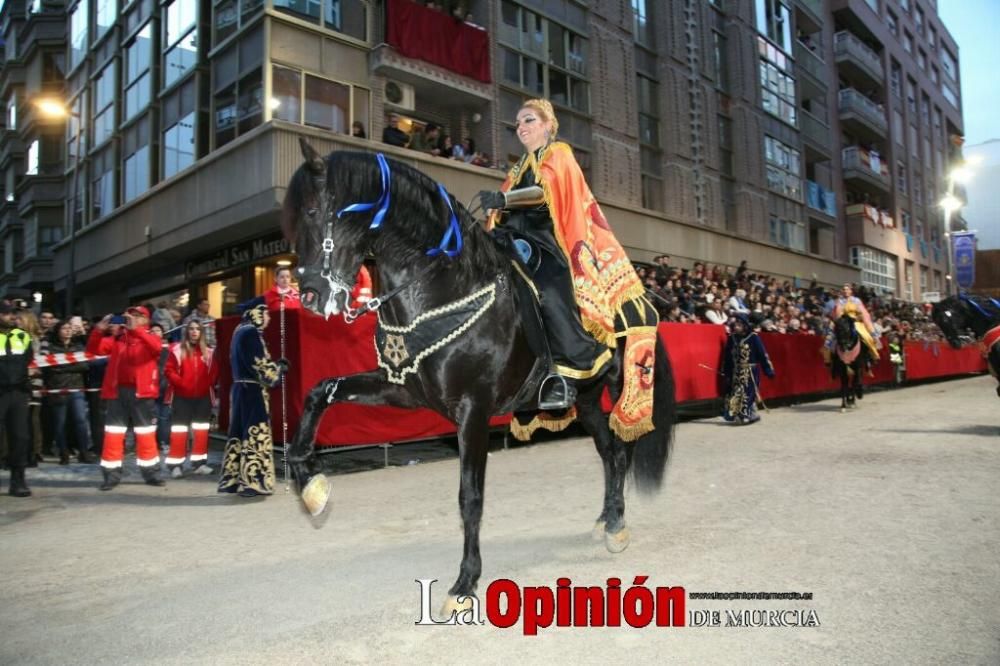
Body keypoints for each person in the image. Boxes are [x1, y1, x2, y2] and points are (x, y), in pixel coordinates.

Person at [479, 98, 652, 412]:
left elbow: (545, 194)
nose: (521, 128)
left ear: (547, 125)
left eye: (529, 120)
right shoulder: (517, 169)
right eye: (518, 123)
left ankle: (564, 373)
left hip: (547, 242)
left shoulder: (559, 154)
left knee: (548, 290)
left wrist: (504, 199)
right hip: (512, 240)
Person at [86, 305, 166, 490]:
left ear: (146, 320)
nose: (132, 318)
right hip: (117, 393)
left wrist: (136, 330)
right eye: (130, 315)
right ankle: (111, 476)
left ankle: (151, 474)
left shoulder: (150, 337)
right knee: (113, 435)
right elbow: (93, 349)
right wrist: (99, 329)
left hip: (142, 394)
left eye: (137, 316)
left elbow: (156, 348)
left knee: (145, 435)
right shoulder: (117, 339)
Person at [218, 298, 286, 497]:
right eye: (265, 313)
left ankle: (231, 480)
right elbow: (260, 367)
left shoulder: (239, 330)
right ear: (256, 313)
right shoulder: (251, 334)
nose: (268, 318)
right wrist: (279, 369)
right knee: (255, 433)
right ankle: (254, 482)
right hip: (253, 392)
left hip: (240, 389)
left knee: (238, 434)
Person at [164, 320, 218, 477]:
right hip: (181, 397)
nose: (194, 332)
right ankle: (175, 466)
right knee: (179, 431)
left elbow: (214, 374)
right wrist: (181, 384)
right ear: (187, 332)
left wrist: (204, 386)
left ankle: (199, 464)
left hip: (203, 398)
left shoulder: (209, 352)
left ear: (201, 332)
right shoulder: (176, 350)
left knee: (201, 431)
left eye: (197, 329)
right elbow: (169, 371)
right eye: (191, 329)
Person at [43, 319, 97, 465]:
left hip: (77, 388)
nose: (67, 331)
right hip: (58, 388)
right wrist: (72, 364)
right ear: (58, 331)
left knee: (80, 420)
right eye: (64, 328)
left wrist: (63, 366)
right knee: (60, 423)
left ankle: (84, 452)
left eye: (69, 328)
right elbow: (49, 367)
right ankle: (63, 452)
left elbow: (84, 366)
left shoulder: (78, 347)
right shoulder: (52, 348)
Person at [0, 302, 32, 496]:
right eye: (6, 313)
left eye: (13, 313)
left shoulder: (22, 335)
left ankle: (18, 480)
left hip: (18, 393)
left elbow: (27, 360)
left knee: (20, 436)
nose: (12, 317)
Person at [722, 313, 775, 425]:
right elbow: (727, 357)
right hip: (736, 372)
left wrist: (768, 370)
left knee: (748, 392)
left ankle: (746, 415)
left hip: (750, 371)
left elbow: (762, 354)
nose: (736, 327)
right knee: (737, 393)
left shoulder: (753, 337)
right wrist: (726, 371)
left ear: (745, 325)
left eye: (739, 324)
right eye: (735, 324)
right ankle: (741, 414)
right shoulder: (732, 338)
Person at [832, 283, 880, 364]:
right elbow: (837, 312)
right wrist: (840, 318)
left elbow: (862, 312)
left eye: (847, 289)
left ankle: (870, 356)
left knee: (866, 336)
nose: (845, 291)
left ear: (851, 291)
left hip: (855, 321)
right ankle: (830, 358)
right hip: (843, 321)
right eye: (844, 289)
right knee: (831, 335)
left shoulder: (856, 300)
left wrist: (859, 316)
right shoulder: (840, 301)